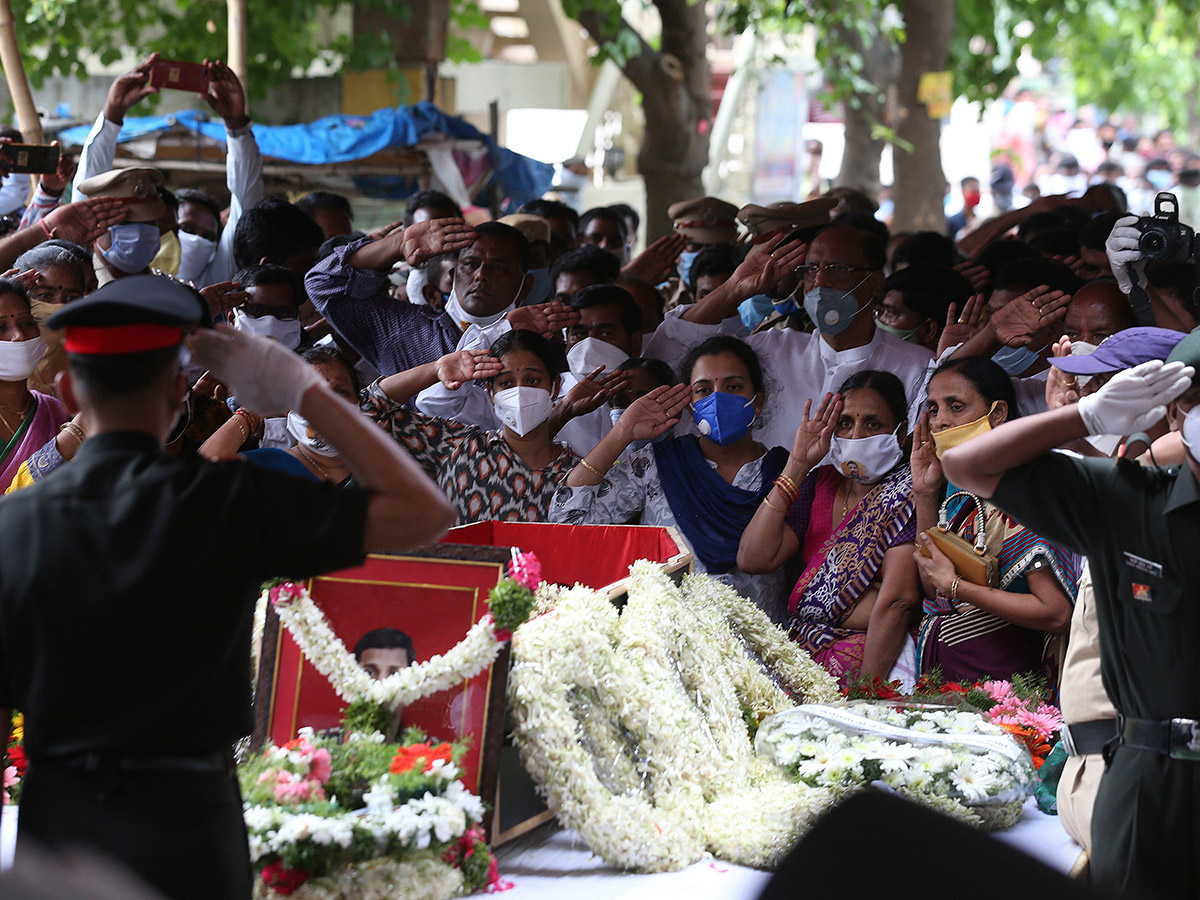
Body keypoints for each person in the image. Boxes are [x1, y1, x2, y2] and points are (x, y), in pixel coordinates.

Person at [0, 275, 453, 900]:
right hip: (190, 826)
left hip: (58, 828)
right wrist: (306, 394)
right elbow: (424, 513)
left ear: (71, 389)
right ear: (178, 391)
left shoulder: (12, 522)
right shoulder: (228, 502)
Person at [938, 334, 1200, 897]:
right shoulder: (1132, 500)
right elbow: (963, 464)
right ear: (1174, 409)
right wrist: (1083, 417)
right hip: (1151, 779)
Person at [550, 335, 789, 618]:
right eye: (703, 390)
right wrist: (622, 432)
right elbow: (567, 521)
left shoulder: (786, 473)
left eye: (733, 386)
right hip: (668, 646)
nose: (717, 398)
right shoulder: (657, 463)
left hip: (762, 651)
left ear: (757, 400)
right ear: (690, 405)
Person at [659, 224, 934, 449]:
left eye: (838, 269)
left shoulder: (916, 367)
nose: (821, 282)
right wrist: (733, 289)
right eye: (811, 269)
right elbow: (672, 351)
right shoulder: (773, 349)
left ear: (875, 283)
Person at [738, 371, 920, 686]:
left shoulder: (909, 495)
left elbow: (897, 602)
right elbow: (753, 558)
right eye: (845, 424)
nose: (856, 436)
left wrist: (866, 693)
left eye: (873, 424)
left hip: (873, 665)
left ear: (900, 433)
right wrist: (797, 464)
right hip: (802, 658)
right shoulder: (818, 485)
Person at [911, 357, 1078, 683]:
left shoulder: (1022, 489)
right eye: (933, 409)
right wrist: (924, 494)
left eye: (955, 407)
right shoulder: (957, 482)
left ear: (998, 414)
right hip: (951, 670)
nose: (940, 422)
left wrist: (959, 588)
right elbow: (934, 587)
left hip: (1009, 681)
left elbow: (1056, 612)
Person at [72, 54, 262, 288]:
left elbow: (246, 208)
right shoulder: (80, 282)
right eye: (187, 229)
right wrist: (112, 114)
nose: (195, 241)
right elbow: (83, 205)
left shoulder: (201, 293)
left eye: (207, 237)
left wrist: (237, 125)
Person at [364, 329, 581, 524]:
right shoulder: (455, 447)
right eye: (506, 383)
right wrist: (434, 369)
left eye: (532, 381)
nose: (519, 391)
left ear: (555, 387)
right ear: (490, 393)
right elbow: (365, 413)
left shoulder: (577, 474)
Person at [0, 277, 69, 488]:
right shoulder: (73, 429)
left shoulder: (56, 411)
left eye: (25, 323)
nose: (19, 336)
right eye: (1, 327)